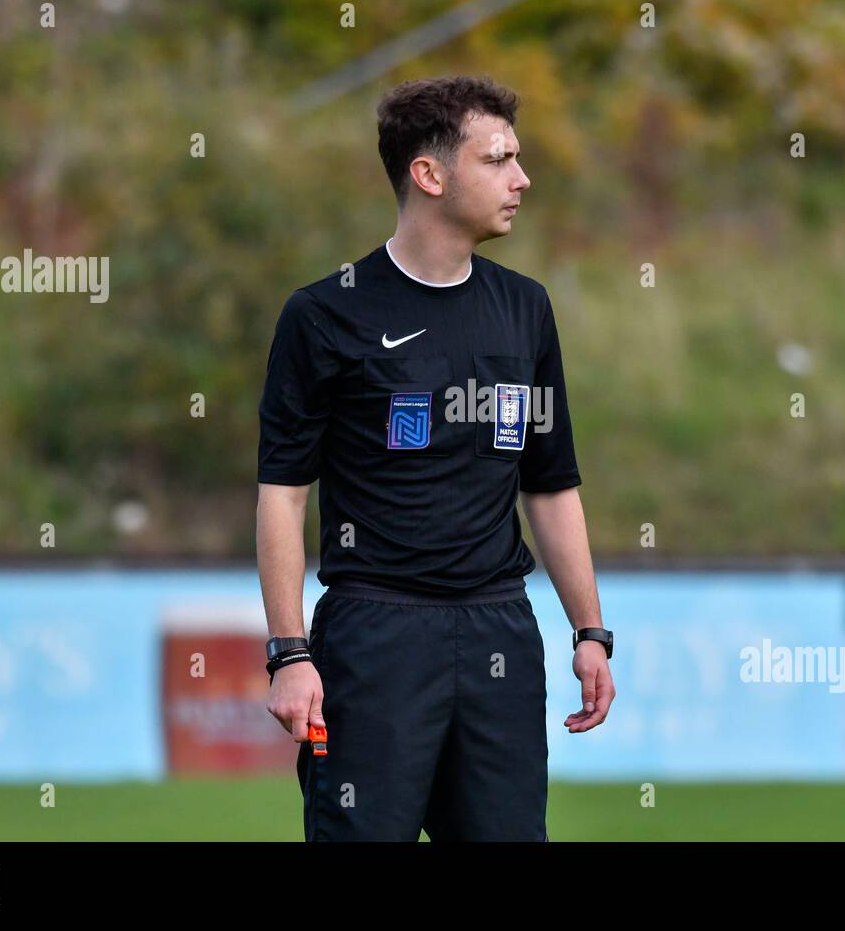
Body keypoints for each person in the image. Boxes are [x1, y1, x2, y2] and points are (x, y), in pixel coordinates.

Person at [256, 75, 614, 841]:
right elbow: (282, 494)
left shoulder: (526, 308)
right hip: (374, 640)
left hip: (500, 634)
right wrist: (288, 653)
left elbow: (549, 486)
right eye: (499, 160)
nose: (522, 179)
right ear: (430, 174)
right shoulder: (325, 314)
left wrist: (589, 631)